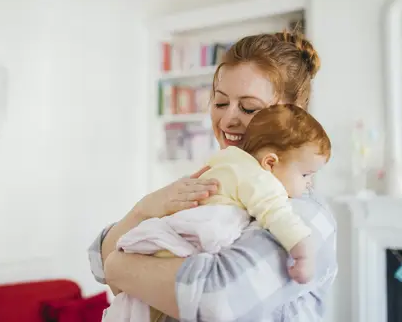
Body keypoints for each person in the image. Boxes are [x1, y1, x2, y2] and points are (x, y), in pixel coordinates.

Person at [88, 31, 337, 321]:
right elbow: (100, 262)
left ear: (293, 115)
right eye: (220, 103)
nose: (228, 118)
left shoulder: (303, 215)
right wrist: (145, 208)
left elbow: (214, 300)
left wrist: (120, 267)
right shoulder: (214, 182)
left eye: (249, 108)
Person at [101, 104, 332, 322]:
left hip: (160, 246)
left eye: (248, 108)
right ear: (270, 163)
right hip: (184, 243)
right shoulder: (262, 180)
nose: (309, 184)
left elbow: (109, 266)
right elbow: (280, 217)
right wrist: (303, 256)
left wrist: (119, 268)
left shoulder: (225, 159)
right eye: (305, 175)